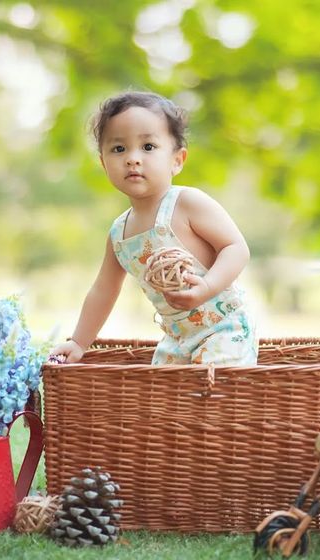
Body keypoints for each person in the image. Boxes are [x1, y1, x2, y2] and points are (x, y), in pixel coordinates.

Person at [52, 91, 258, 365]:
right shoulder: (119, 234)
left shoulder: (186, 203)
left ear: (177, 160)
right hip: (177, 339)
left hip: (223, 329)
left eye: (148, 147)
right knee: (161, 399)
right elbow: (104, 289)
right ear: (103, 163)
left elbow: (235, 248)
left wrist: (206, 287)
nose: (132, 158)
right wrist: (79, 341)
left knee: (210, 392)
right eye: (118, 149)